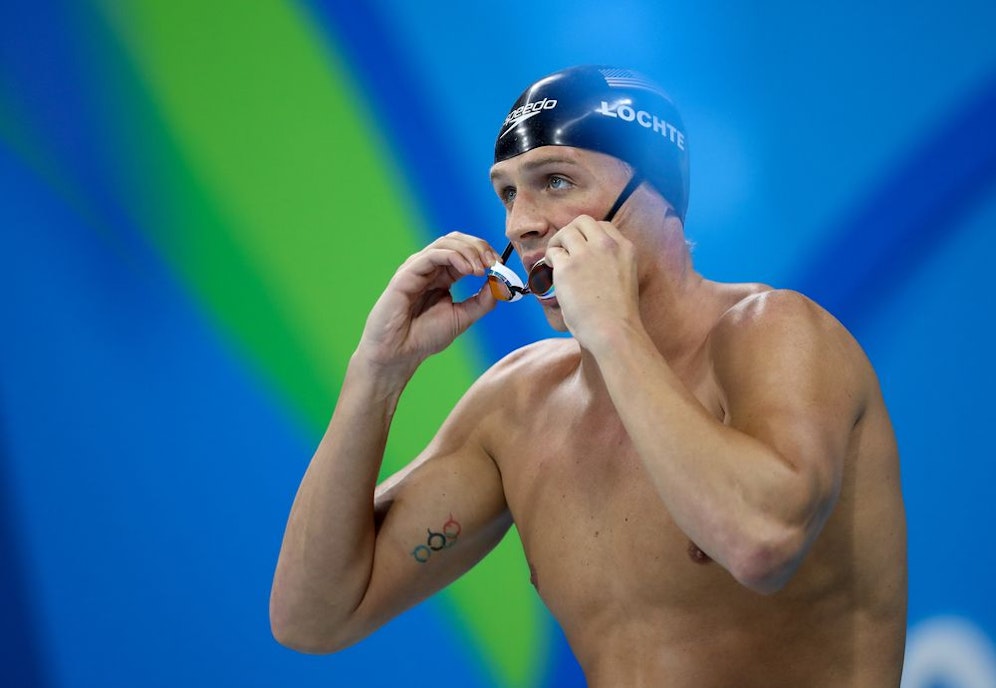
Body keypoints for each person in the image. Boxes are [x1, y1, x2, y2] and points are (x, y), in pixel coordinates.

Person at [270, 65, 908, 686]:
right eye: (508, 193)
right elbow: (314, 617)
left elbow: (762, 543)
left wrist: (614, 329)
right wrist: (376, 373)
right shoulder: (519, 407)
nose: (520, 224)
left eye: (555, 180)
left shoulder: (774, 332)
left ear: (658, 194)